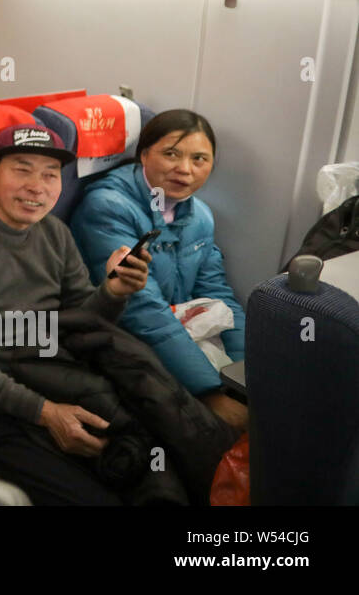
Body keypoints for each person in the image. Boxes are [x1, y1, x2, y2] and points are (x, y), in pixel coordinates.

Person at [0, 124, 170, 505]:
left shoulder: (55, 233)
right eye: (22, 169)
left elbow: (81, 321)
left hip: (67, 380)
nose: (37, 186)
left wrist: (112, 293)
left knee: (159, 472)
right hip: (1, 407)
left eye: (50, 174)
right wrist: (45, 413)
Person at [71, 110, 248, 432]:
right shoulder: (108, 207)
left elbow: (218, 293)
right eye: (171, 154)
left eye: (199, 159)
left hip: (179, 337)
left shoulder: (200, 216)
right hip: (124, 339)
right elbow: (140, 310)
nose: (185, 169)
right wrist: (211, 393)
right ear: (144, 155)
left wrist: (246, 374)